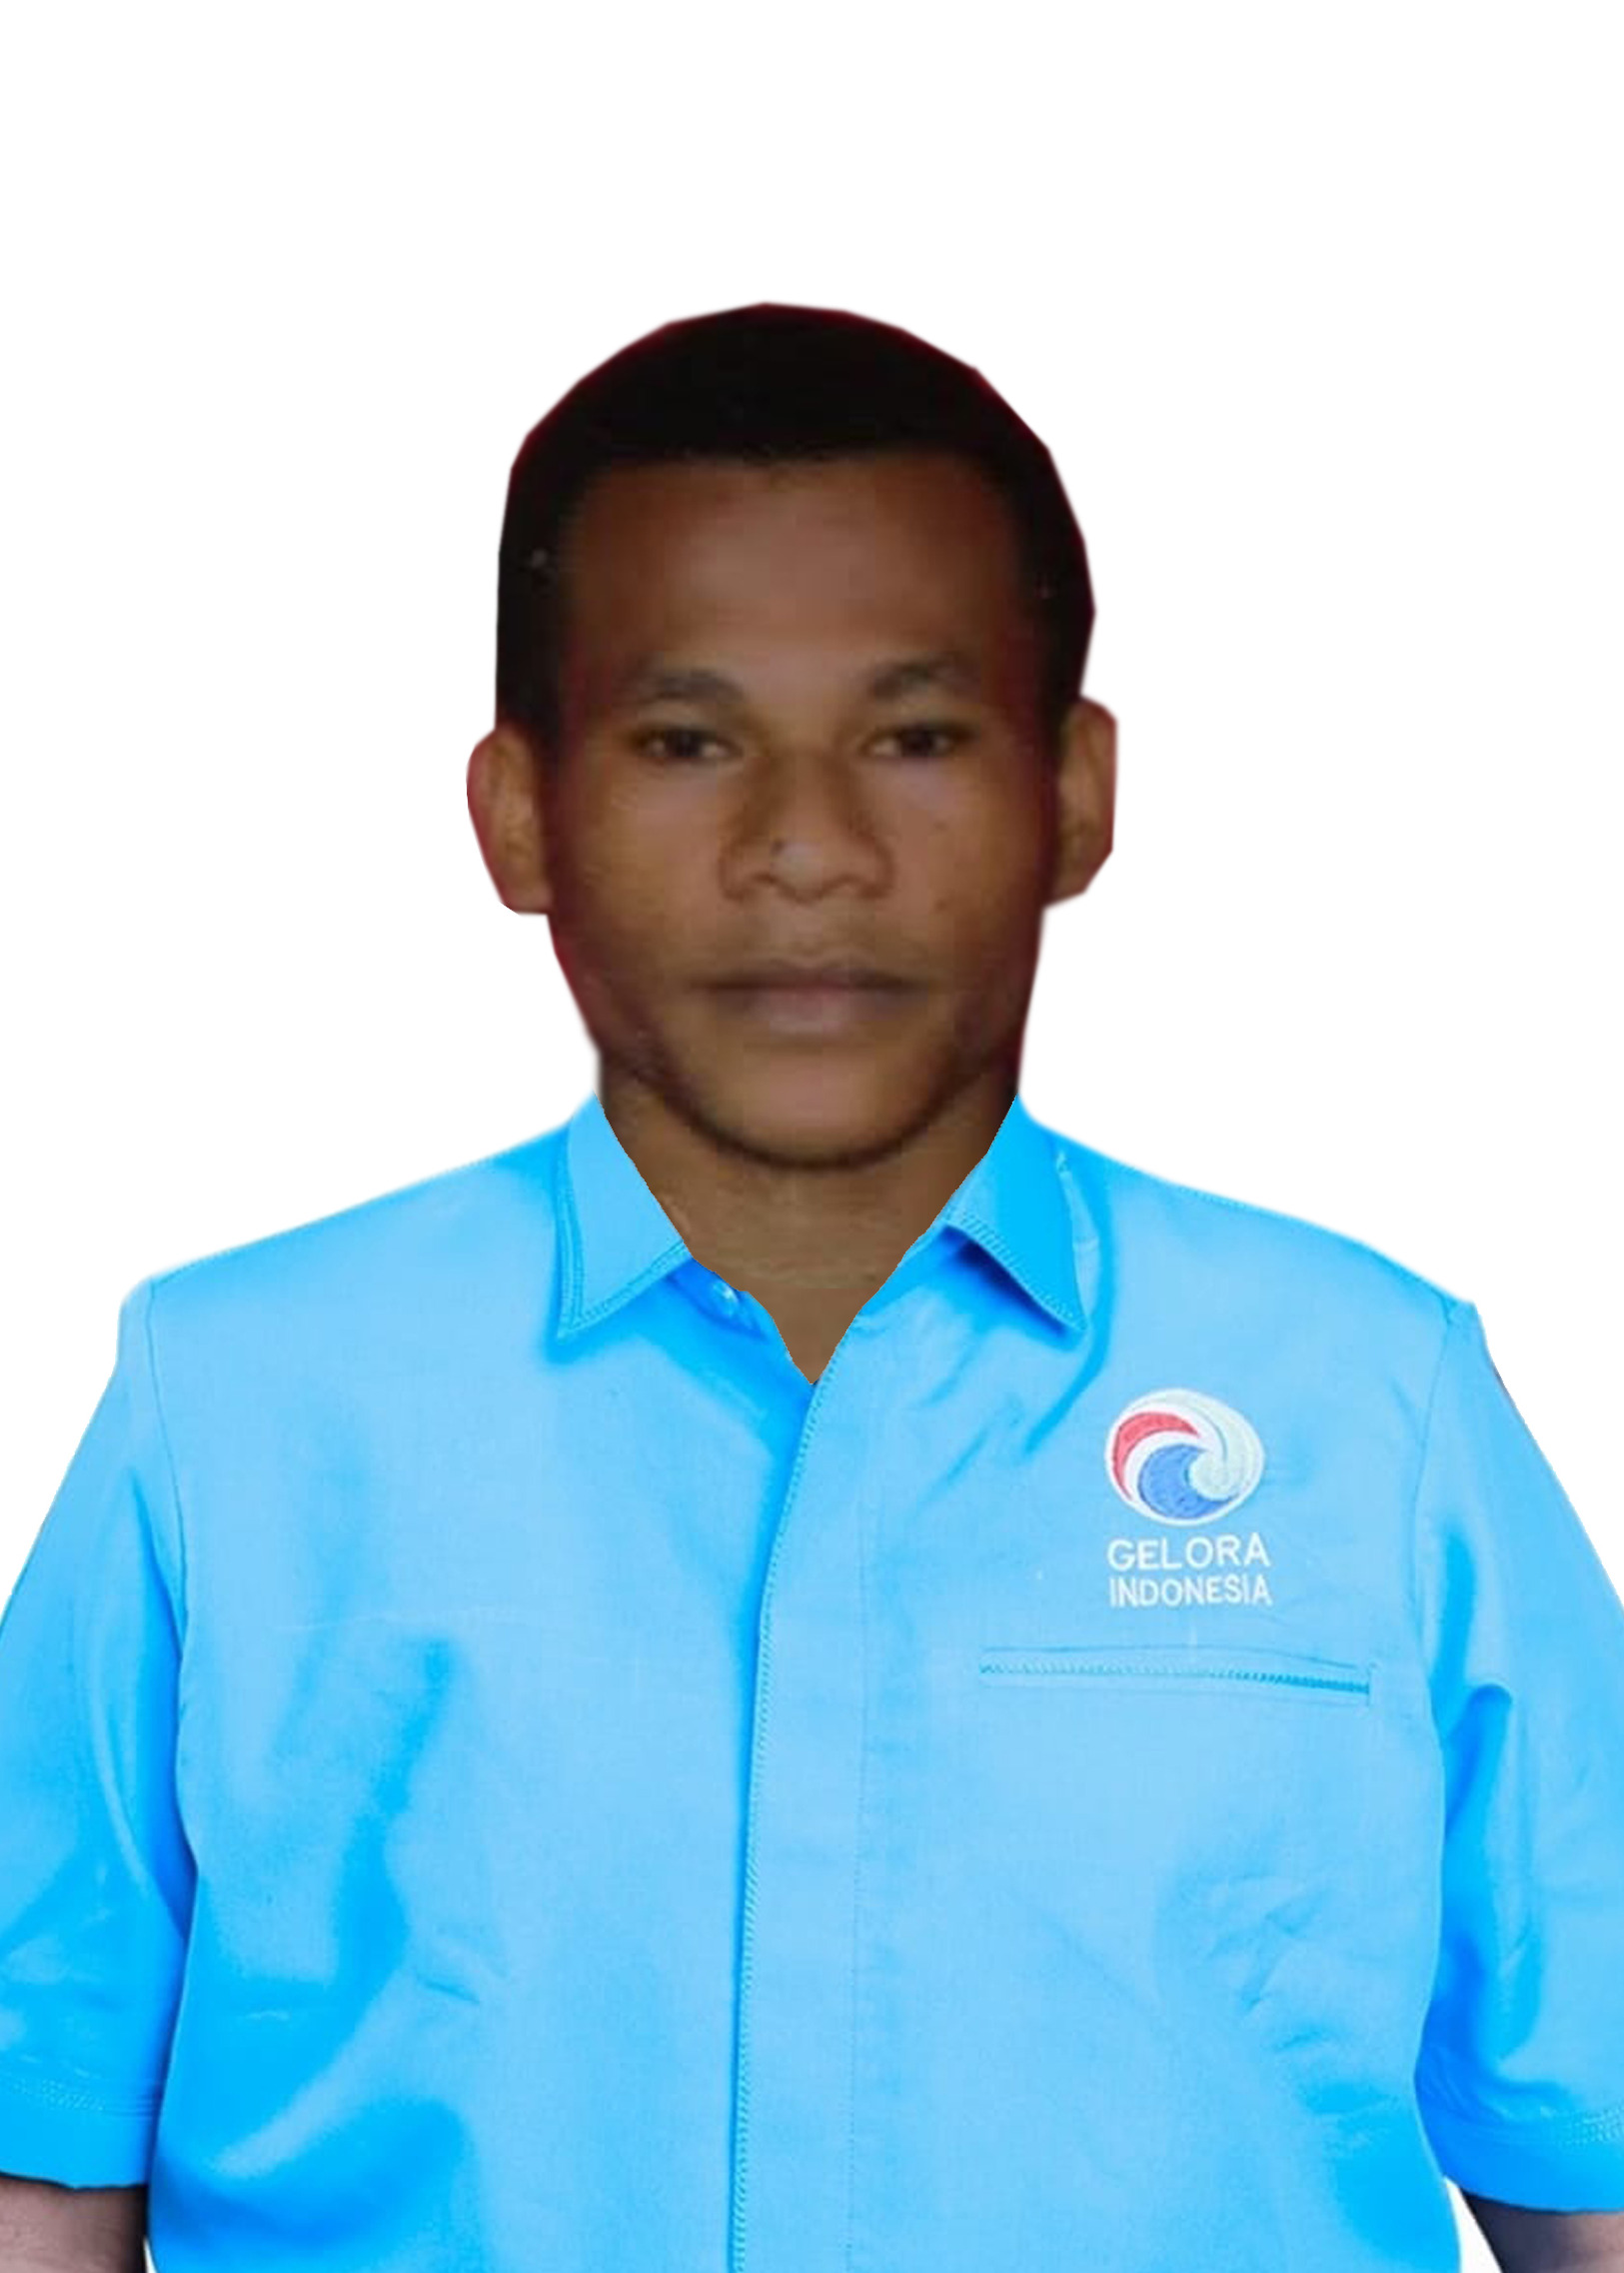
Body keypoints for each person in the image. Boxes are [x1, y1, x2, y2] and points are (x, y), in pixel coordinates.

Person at [2, 303, 1621, 2273]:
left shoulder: (1372, 1397)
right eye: (687, 742)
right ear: (518, 812)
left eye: (915, 736)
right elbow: (41, 2168)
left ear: (1076, 793)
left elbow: (1591, 2170)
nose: (806, 850)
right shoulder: (233, 1406)